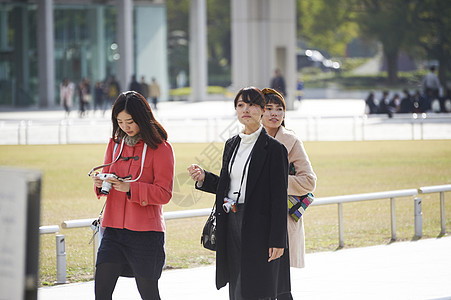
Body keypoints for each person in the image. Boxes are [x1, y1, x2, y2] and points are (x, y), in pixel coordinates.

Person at [187, 87, 291, 300]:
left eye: (252, 104)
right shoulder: (231, 144)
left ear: (262, 110)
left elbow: (279, 199)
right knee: (236, 283)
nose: (246, 109)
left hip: (259, 226)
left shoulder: (274, 149)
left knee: (256, 286)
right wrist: (204, 178)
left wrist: (278, 240)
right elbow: (228, 184)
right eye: (241, 105)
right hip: (230, 220)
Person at [90, 91, 175, 300]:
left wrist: (131, 189)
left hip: (145, 233)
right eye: (119, 122)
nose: (125, 127)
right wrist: (101, 183)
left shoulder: (161, 148)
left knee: (148, 294)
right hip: (113, 230)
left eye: (129, 121)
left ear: (142, 117)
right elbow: (108, 179)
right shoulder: (115, 143)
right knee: (101, 290)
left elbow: (164, 194)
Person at [261, 88, 317, 300]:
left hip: (281, 221)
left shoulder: (291, 141)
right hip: (254, 219)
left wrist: (274, 182)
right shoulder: (248, 140)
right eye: (269, 109)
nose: (275, 114)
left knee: (280, 287)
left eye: (280, 109)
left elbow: (309, 181)